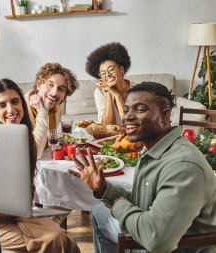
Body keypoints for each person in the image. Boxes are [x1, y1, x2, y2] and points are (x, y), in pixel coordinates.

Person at [69, 82, 216, 253]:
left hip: (162, 246)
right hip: (151, 235)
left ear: (165, 115)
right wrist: (103, 189)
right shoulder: (153, 149)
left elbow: (156, 240)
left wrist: (119, 206)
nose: (127, 117)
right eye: (126, 110)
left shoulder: (184, 166)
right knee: (100, 212)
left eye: (139, 109)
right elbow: (143, 200)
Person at [0, 78, 81, 253]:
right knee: (56, 240)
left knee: (64, 241)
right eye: (2, 105)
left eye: (15, 101)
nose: (11, 110)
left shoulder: (24, 136)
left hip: (19, 214)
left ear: (22, 103)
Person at [26, 63, 79, 159]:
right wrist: (42, 111)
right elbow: (35, 154)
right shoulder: (22, 108)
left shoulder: (57, 107)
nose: (54, 93)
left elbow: (47, 141)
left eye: (61, 89)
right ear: (38, 85)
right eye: (50, 84)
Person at [86, 42, 134, 125]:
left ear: (121, 70)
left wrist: (117, 95)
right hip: (112, 136)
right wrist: (109, 91)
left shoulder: (137, 88)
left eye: (111, 69)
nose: (107, 75)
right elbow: (107, 125)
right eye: (103, 73)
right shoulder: (99, 92)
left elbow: (130, 123)